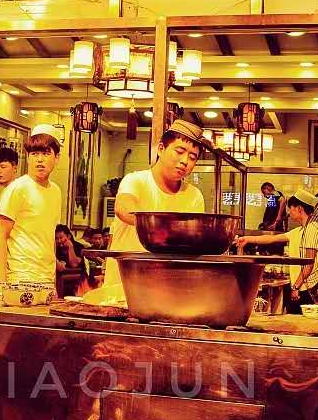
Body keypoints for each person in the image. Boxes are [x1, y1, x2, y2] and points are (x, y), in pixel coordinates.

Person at [104, 119, 205, 292]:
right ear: (161, 149)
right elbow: (123, 209)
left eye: (192, 157)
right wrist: (167, 228)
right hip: (122, 288)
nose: (185, 161)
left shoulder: (194, 196)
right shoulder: (135, 181)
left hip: (166, 289)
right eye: (179, 151)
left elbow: (193, 241)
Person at [235, 189, 318, 312]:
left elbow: (308, 265)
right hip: (299, 287)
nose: (289, 212)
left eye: (291, 208)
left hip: (306, 289)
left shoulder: (313, 230)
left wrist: (296, 287)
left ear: (300, 208)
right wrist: (247, 239)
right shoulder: (299, 231)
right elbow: (272, 238)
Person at [0, 126, 62, 286]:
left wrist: (53, 281)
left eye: (46, 153)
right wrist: (1, 286)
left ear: (57, 158)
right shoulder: (18, 188)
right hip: (19, 277)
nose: (40, 159)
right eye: (34, 154)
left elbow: (49, 237)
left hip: (46, 278)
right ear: (28, 157)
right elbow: (0, 237)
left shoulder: (56, 191)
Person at [55, 224, 89, 297]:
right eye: (56, 238)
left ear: (68, 236)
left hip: (78, 281)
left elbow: (74, 264)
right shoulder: (56, 248)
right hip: (62, 281)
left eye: (61, 238)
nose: (58, 241)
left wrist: (70, 247)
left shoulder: (79, 247)